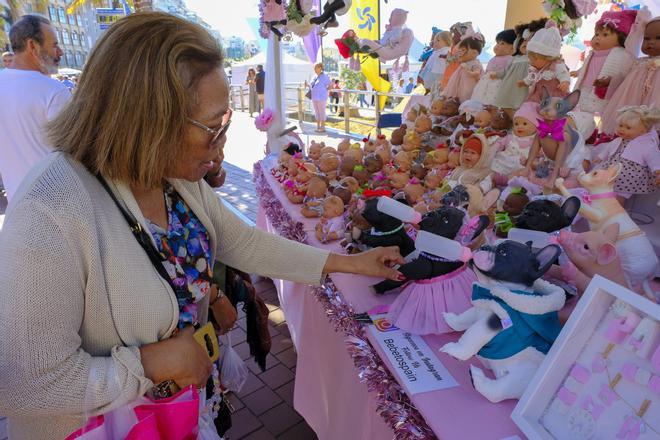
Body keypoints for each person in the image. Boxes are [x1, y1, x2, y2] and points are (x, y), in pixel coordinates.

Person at [0, 13, 404, 440]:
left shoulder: (168, 177)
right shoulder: (50, 209)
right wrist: (148, 365)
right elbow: (25, 386)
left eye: (224, 123)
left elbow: (240, 239)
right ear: (149, 121)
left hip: (180, 412)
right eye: (213, 127)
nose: (222, 144)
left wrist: (349, 263)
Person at [0, 14, 69, 202]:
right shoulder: (54, 91)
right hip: (59, 205)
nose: (60, 52)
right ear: (33, 46)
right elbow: (77, 154)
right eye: (54, 45)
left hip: (18, 208)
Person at [306, 62, 331, 132]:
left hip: (321, 97)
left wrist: (326, 89)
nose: (314, 69)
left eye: (316, 67)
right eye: (314, 67)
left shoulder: (324, 76)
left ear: (320, 68)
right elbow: (311, 86)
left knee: (321, 112)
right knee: (316, 111)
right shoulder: (314, 76)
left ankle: (323, 127)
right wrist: (307, 85)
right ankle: (318, 127)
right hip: (314, 97)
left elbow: (331, 84)